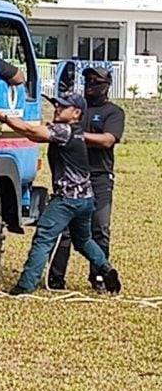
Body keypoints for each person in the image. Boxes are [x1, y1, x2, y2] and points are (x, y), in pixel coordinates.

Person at [0, 92, 122, 296]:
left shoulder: (64, 131)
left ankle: (25, 286)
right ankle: (106, 269)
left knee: (43, 238)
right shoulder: (76, 132)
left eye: (63, 106)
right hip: (85, 199)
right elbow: (32, 134)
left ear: (76, 113)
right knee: (84, 241)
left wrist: (4, 117)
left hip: (66, 200)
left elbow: (31, 130)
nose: (57, 108)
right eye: (57, 105)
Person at [48, 66, 124, 291]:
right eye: (87, 80)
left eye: (96, 81)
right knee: (65, 229)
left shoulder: (114, 112)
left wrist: (78, 135)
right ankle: (55, 277)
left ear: (107, 85)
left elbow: (108, 140)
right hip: (72, 175)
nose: (90, 85)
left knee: (99, 227)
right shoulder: (76, 108)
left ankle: (99, 276)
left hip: (99, 176)